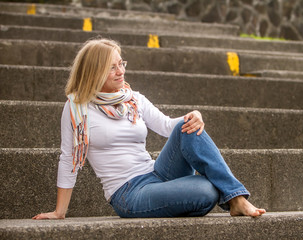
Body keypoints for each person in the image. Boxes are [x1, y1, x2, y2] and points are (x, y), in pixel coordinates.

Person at [32, 38, 266, 220]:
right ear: (94, 72)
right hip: (128, 193)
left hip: (157, 173)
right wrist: (59, 212)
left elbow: (166, 126)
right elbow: (68, 159)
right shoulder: (77, 108)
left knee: (188, 126)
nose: (121, 71)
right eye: (111, 68)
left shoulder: (133, 99)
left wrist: (193, 116)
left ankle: (236, 198)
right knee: (207, 191)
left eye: (120, 64)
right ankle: (230, 195)